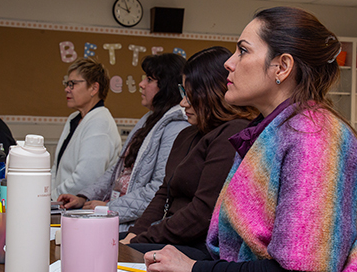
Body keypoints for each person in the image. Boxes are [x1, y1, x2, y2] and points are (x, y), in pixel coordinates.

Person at [143, 7, 357, 272]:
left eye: (243, 50)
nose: (229, 63)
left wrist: (196, 270)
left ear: (282, 67)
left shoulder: (312, 137)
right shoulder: (279, 129)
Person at [122, 46, 257, 259]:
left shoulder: (232, 132)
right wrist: (134, 234)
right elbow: (163, 194)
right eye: (183, 93)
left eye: (190, 94)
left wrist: (142, 240)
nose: (183, 102)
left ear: (212, 94)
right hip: (166, 238)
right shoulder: (187, 134)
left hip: (197, 249)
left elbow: (203, 212)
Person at [57, 53, 189, 231]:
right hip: (116, 214)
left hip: (134, 225)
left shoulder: (176, 127)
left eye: (149, 79)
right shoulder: (148, 119)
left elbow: (158, 190)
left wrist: (109, 209)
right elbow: (117, 171)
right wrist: (84, 197)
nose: (141, 84)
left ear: (166, 85)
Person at [51, 58, 121, 200]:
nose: (67, 89)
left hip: (81, 206)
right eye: (67, 84)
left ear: (94, 88)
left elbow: (86, 178)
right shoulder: (74, 118)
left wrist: (52, 198)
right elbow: (57, 169)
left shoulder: (100, 121)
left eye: (73, 84)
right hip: (61, 204)